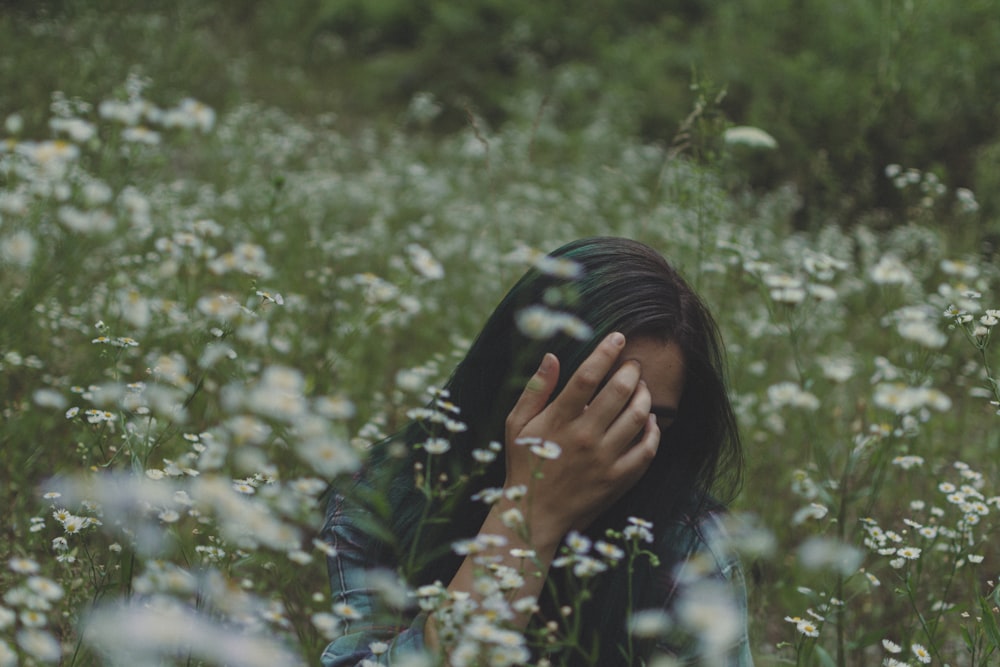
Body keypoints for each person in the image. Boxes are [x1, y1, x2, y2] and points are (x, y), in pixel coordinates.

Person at [321, 237, 752, 666]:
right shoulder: (381, 497)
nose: (594, 444)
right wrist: (530, 513)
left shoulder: (690, 545)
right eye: (585, 406)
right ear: (510, 381)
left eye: (641, 422)